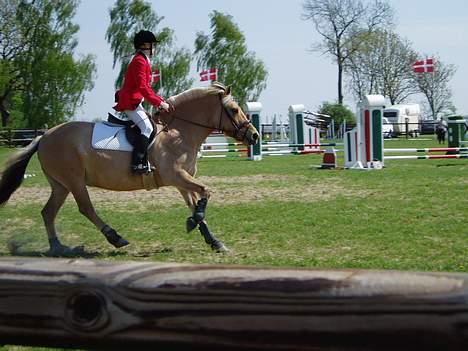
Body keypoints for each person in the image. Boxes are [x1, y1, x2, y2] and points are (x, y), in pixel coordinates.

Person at [113, 30, 174, 174]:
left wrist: (160, 100)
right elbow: (143, 87)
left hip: (135, 102)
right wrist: (160, 104)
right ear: (145, 45)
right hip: (130, 102)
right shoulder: (139, 61)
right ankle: (137, 164)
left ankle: (144, 160)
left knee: (151, 125)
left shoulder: (143, 60)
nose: (155, 48)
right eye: (153, 44)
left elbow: (146, 89)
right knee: (147, 128)